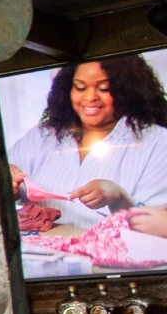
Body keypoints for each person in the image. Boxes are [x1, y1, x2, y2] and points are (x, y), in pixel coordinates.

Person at [9, 57, 167, 229]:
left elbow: (154, 225)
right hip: (38, 253)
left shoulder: (157, 143)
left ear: (126, 91)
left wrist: (117, 196)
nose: (90, 97)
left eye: (103, 88)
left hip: (114, 253)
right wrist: (8, 183)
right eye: (80, 87)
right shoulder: (43, 135)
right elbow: (0, 186)